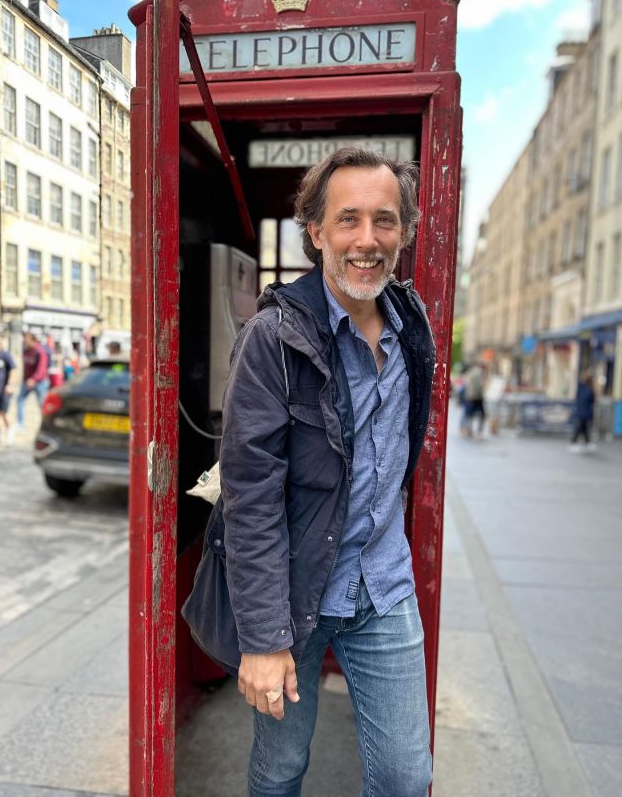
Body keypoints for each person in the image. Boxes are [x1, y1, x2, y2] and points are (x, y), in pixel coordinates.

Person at [215, 147, 435, 795]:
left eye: (385, 220)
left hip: (383, 585)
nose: (368, 240)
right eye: (349, 220)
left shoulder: (412, 324)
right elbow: (249, 496)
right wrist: (261, 638)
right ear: (316, 233)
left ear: (406, 230)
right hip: (295, 593)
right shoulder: (273, 337)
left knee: (405, 777)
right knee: (282, 768)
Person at [16, 332, 49, 432]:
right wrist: (25, 379)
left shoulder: (40, 352)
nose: (24, 341)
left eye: (26, 339)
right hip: (27, 381)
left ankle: (45, 426)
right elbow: (26, 368)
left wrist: (33, 379)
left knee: (42, 404)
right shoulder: (25, 351)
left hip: (40, 382)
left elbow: (41, 369)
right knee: (20, 400)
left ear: (33, 340)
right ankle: (20, 424)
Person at [570, 372, 595, 453]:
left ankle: (587, 442)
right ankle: (573, 443)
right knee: (580, 427)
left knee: (583, 427)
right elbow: (591, 400)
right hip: (584, 411)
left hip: (581, 410)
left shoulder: (580, 387)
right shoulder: (588, 389)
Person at [463, 361, 486, 437]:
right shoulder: (479, 373)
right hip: (476, 396)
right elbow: (479, 385)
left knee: (469, 413)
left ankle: (468, 429)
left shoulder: (471, 371)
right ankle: (478, 430)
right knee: (482, 414)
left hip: (470, 395)